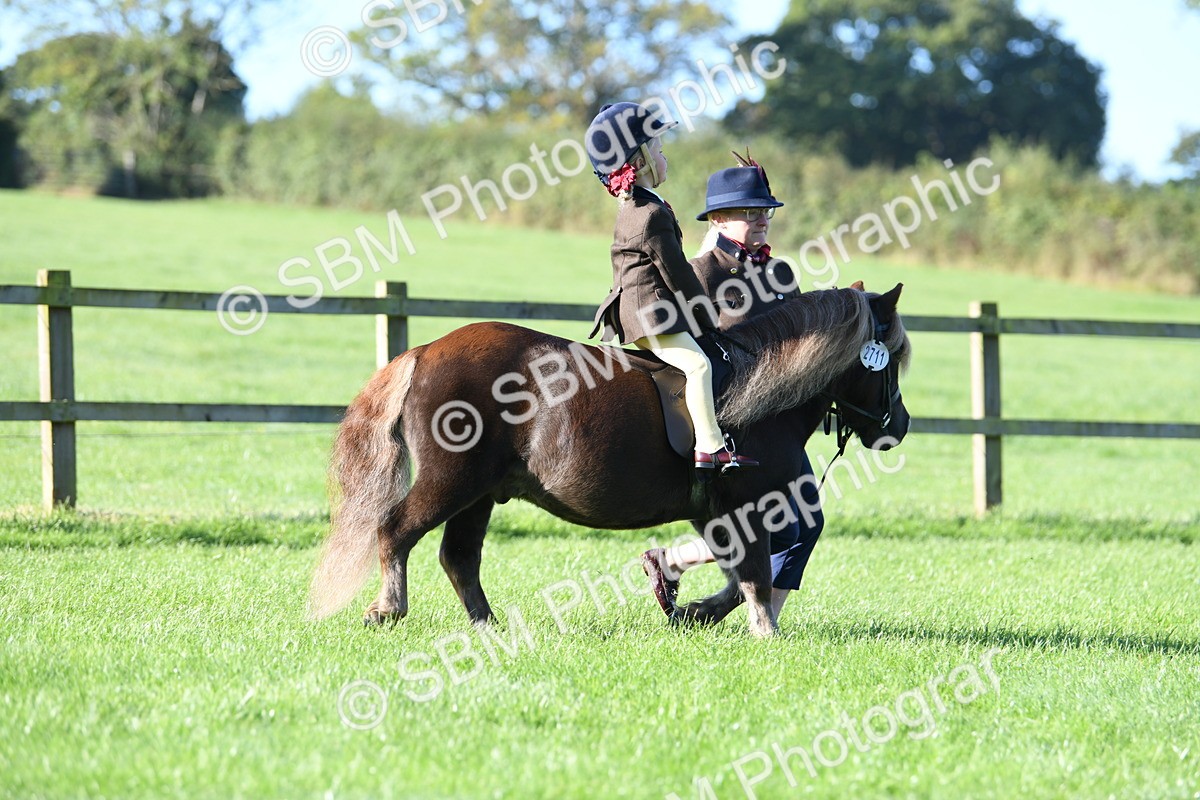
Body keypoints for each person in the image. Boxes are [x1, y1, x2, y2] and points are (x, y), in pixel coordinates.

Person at [640, 153, 825, 620]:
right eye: (751, 212)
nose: (763, 219)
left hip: (781, 427)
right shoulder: (702, 273)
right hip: (732, 429)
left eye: (766, 211)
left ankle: (681, 566)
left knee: (805, 524)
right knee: (765, 525)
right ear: (719, 219)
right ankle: (756, 622)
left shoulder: (782, 274)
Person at [585, 102, 757, 471]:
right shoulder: (650, 215)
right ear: (642, 160)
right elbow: (677, 275)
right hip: (649, 315)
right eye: (659, 150)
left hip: (649, 309)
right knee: (698, 366)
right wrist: (706, 316)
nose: (665, 157)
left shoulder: (643, 206)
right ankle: (710, 447)